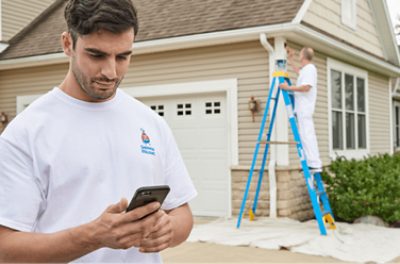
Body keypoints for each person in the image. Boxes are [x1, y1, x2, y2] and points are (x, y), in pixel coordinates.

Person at [0, 0, 197, 262]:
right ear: (68, 43)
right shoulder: (26, 133)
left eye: (123, 56)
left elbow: (182, 212)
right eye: (97, 55)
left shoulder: (150, 122)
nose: (110, 72)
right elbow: (6, 247)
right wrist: (95, 236)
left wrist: (168, 230)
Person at [279, 47, 322, 172]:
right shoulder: (306, 70)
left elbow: (306, 87)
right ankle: (312, 162)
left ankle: (314, 163)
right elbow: (299, 72)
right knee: (305, 135)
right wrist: (291, 59)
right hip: (302, 108)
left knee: (307, 135)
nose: (299, 54)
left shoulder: (310, 69)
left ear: (303, 56)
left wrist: (288, 88)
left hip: (305, 108)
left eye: (300, 53)